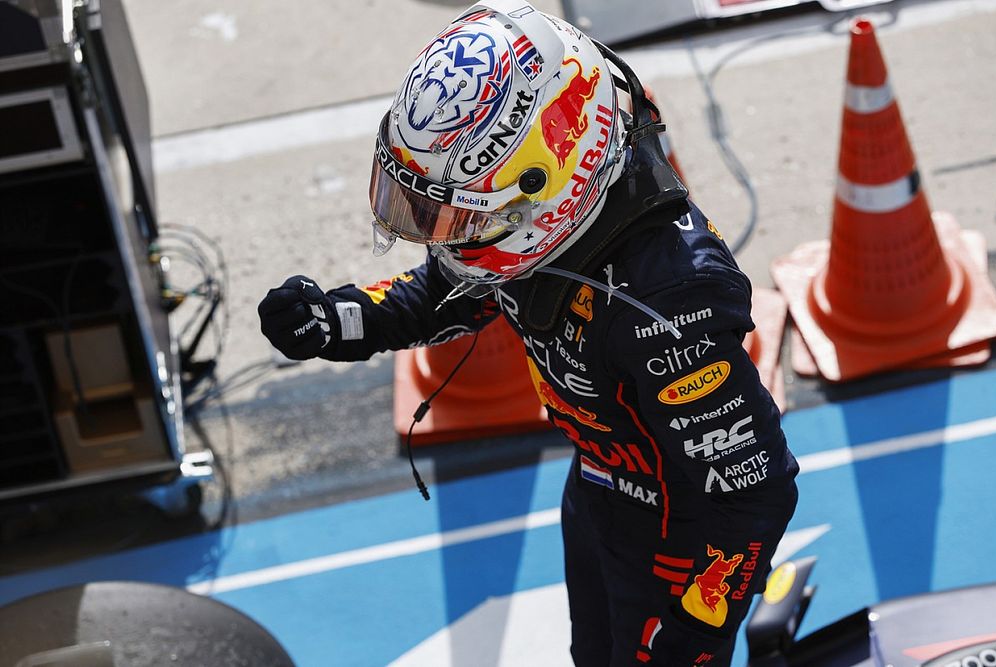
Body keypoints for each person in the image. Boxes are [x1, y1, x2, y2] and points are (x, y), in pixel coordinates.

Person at [258, 1, 798, 664]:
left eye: (453, 215)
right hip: (598, 489)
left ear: (545, 186)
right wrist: (335, 321)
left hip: (675, 539)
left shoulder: (667, 305)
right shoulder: (535, 229)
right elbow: (443, 293)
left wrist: (698, 628)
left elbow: (756, 489)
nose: (440, 234)